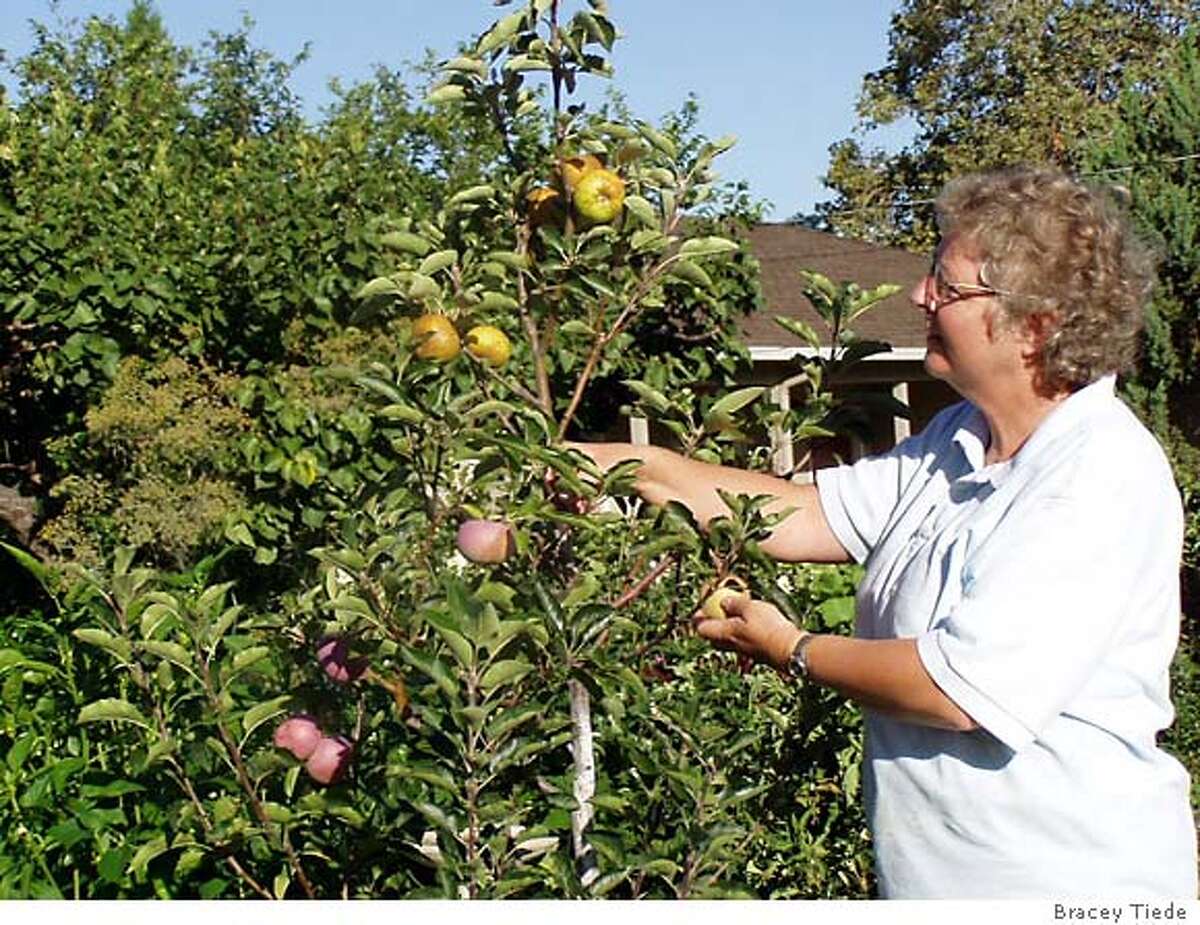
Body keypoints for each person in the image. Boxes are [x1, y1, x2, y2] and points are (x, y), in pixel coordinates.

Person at [570, 166, 1198, 899]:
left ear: (1035, 326)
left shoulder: (1097, 473)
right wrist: (632, 468)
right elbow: (805, 514)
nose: (920, 294)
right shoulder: (958, 439)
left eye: (949, 288)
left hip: (1072, 887)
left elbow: (957, 690)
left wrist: (791, 647)